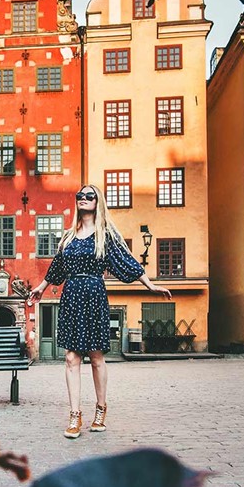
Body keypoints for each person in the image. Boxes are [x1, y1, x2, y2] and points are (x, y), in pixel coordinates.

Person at [27, 184, 171, 439]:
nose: (83, 199)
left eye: (89, 196)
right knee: (71, 357)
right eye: (79, 196)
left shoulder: (105, 236)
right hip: (71, 295)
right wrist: (41, 287)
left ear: (97, 202)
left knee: (95, 357)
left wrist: (150, 285)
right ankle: (74, 415)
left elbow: (128, 262)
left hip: (94, 293)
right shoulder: (69, 236)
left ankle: (101, 408)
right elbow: (57, 267)